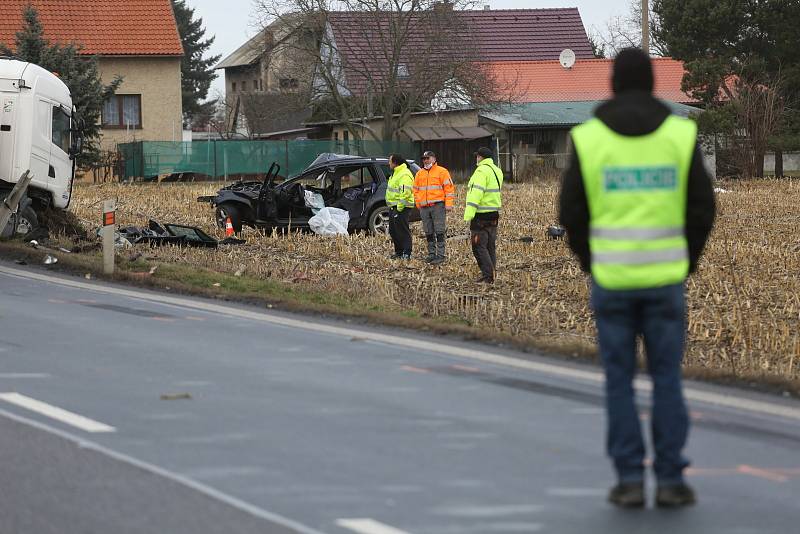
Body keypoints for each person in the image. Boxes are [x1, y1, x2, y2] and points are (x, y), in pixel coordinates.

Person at [559, 48, 716, 508]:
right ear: (651, 83)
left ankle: (629, 479)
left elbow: (571, 212)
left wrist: (592, 261)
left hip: (612, 281)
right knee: (666, 378)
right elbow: (703, 208)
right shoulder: (680, 135)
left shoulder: (589, 140)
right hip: (666, 279)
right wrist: (687, 259)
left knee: (619, 381)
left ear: (613, 83)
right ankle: (669, 479)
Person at [464, 147, 503, 283]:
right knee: (490, 246)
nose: (476, 159)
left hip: (480, 215)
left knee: (479, 247)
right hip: (494, 214)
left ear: (480, 157)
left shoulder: (480, 171)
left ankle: (488, 275)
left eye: (477, 156)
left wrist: (468, 215)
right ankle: (492, 272)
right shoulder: (497, 171)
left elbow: (476, 193)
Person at [413, 150, 455, 264]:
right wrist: (418, 204)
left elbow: (449, 189)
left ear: (434, 159)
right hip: (424, 208)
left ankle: (440, 255)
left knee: (439, 231)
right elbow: (415, 190)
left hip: (438, 206)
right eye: (424, 159)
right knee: (428, 232)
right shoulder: (419, 173)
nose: (426, 160)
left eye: (428, 158)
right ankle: (431, 254)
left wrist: (449, 205)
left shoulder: (442, 171)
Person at [385, 154, 415, 259]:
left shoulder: (404, 174)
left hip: (402, 207)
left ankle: (406, 253)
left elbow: (405, 193)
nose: (388, 163)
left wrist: (399, 208)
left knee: (402, 230)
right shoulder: (396, 173)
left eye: (390, 161)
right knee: (394, 231)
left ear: (395, 162)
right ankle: (399, 252)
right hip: (394, 207)